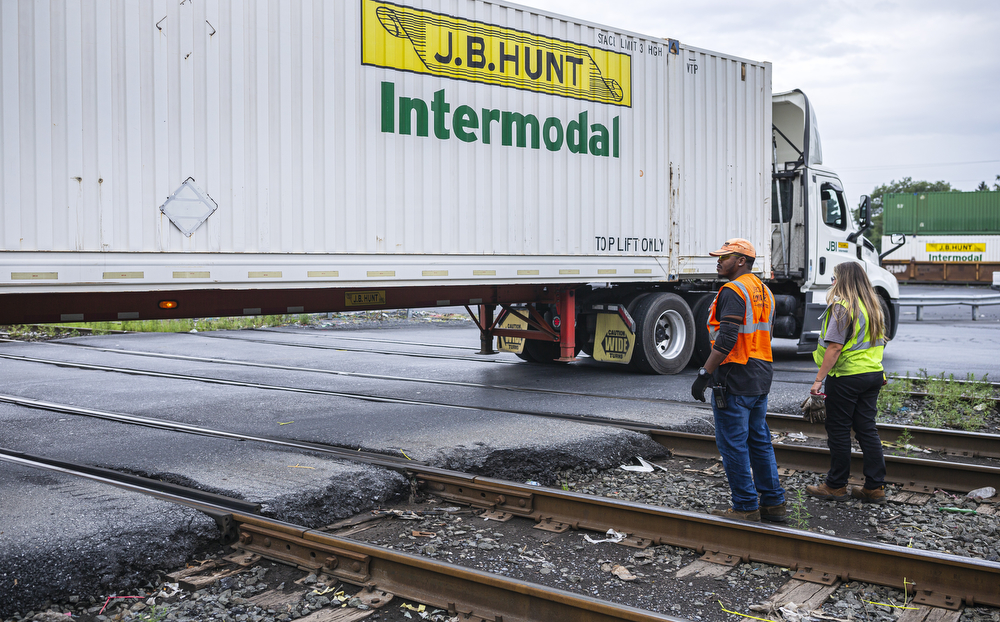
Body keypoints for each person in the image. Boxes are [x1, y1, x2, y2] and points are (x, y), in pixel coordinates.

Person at [691, 238, 786, 522]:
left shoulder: (733, 290)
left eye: (725, 257)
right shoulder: (764, 290)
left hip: (736, 374)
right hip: (761, 373)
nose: (718, 261)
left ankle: (745, 506)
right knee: (759, 440)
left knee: (733, 443)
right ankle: (773, 503)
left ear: (741, 260)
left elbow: (728, 337)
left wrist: (704, 374)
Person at [805, 262, 888, 504]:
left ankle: (835, 486)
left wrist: (818, 380)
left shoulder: (843, 307)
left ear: (843, 280)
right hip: (872, 374)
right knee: (866, 429)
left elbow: (835, 347)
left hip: (847, 376)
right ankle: (875, 487)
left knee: (839, 430)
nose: (832, 282)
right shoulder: (873, 305)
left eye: (834, 278)